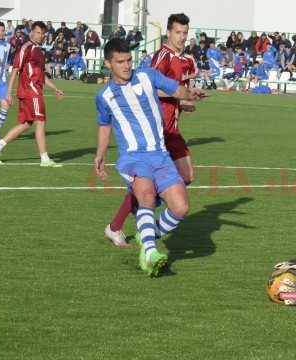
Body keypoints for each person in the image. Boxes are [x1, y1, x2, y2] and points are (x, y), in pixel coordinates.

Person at [94, 38, 207, 275]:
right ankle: (149, 253)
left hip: (161, 155)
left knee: (181, 207)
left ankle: (147, 237)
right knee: (145, 195)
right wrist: (100, 154)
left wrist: (190, 93)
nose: (126, 66)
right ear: (108, 63)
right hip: (133, 157)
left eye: (128, 60)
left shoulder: (147, 75)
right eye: (120, 62)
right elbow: (104, 126)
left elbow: (175, 88)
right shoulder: (104, 96)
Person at [104, 13, 199, 246]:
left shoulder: (179, 58)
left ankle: (132, 226)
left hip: (171, 127)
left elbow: (169, 90)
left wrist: (180, 101)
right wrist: (176, 95)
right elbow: (148, 88)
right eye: (178, 32)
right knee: (150, 183)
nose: (182, 37)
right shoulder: (163, 56)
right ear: (168, 33)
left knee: (186, 176)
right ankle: (121, 226)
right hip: (156, 132)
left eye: (185, 33)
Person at [0, 21, 64, 167]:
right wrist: (9, 92)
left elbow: (40, 75)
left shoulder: (38, 50)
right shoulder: (26, 48)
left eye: (43, 33)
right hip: (31, 92)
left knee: (26, 124)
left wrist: (55, 87)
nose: (40, 36)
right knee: (40, 122)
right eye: (38, 33)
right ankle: (45, 159)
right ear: (31, 33)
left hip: (33, 91)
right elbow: (15, 69)